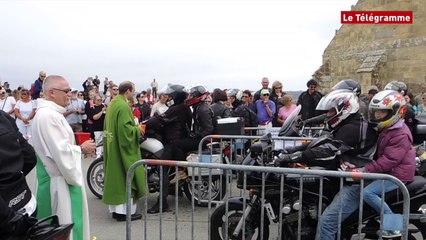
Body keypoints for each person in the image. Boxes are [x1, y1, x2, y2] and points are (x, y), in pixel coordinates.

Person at [276, 90, 378, 240]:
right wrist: (290, 150)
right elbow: (322, 142)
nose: (328, 114)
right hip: (346, 177)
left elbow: (328, 151)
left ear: (344, 109)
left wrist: (295, 157)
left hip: (357, 183)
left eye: (331, 111)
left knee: (327, 223)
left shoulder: (354, 128)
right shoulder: (347, 124)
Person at [31, 75, 96, 240]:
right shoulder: (48, 116)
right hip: (59, 183)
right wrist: (81, 149)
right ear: (52, 92)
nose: (70, 94)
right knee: (67, 225)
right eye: (66, 91)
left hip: (57, 179)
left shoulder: (50, 114)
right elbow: (60, 153)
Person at [361, 90, 415, 238]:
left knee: (368, 192)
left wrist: (366, 169)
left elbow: (389, 160)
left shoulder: (400, 133)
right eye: (376, 112)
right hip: (392, 171)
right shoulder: (389, 128)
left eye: (382, 112)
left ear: (396, 112)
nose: (377, 115)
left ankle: (392, 225)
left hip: (398, 174)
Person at [102, 81, 146, 221]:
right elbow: (126, 132)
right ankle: (124, 213)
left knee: (116, 177)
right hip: (121, 149)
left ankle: (117, 211)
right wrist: (138, 129)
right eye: (133, 90)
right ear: (127, 91)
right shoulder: (123, 106)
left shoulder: (113, 104)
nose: (134, 93)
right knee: (123, 177)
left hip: (112, 145)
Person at [146, 84, 193, 213]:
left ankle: (162, 203)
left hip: (173, 143)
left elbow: (160, 119)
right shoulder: (184, 107)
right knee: (169, 168)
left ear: (176, 96)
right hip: (178, 142)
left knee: (161, 168)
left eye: (171, 96)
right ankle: (174, 189)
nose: (168, 98)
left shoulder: (177, 108)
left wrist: (143, 125)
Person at [0, 110, 38, 239]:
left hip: (8, 217)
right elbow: (29, 156)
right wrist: (14, 176)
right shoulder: (3, 116)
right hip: (26, 202)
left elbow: (30, 156)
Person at [87, 94, 107, 159]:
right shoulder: (93, 108)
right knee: (98, 142)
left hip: (105, 128)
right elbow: (95, 117)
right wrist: (102, 111)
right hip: (97, 128)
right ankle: (98, 156)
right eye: (98, 100)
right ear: (94, 101)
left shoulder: (104, 106)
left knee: (107, 141)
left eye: (101, 100)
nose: (100, 101)